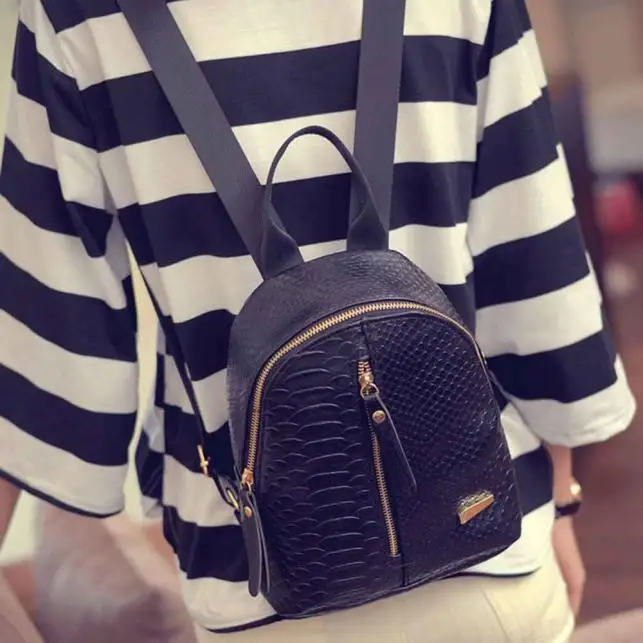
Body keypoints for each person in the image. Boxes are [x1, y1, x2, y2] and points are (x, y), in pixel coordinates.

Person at [0, 0, 636, 641]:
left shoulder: (72, 15)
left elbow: (49, 347)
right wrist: (562, 497)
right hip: (489, 541)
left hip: (259, 585)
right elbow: (538, 273)